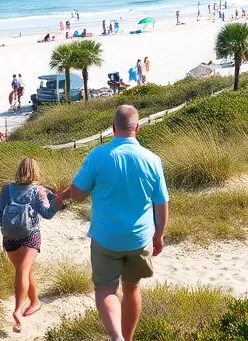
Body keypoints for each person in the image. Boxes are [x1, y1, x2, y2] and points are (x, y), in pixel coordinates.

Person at [57, 105, 169, 341]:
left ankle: (115, 336)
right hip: (139, 239)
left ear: (112, 127)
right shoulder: (152, 160)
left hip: (106, 238)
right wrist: (159, 236)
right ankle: (126, 339)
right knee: (131, 289)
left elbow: (78, 194)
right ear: (137, 128)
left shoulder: (99, 156)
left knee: (106, 289)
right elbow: (161, 204)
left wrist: (64, 194)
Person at [0, 156, 63, 332]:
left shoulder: (6, 189)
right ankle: (24, 307)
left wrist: (10, 224)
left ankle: (29, 304)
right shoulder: (38, 191)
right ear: (35, 172)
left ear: (19, 169)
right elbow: (47, 214)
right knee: (24, 270)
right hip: (30, 236)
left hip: (9, 237)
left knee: (23, 270)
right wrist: (58, 202)